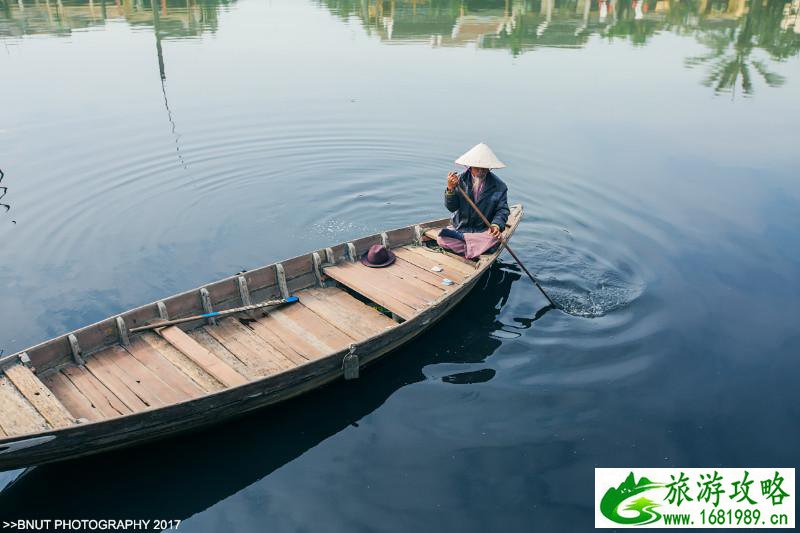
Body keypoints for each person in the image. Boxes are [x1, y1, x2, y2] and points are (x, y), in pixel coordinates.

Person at [437, 142, 510, 259]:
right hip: (461, 227)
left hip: (483, 231)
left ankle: (468, 243)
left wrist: (496, 225)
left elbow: (502, 210)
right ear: (470, 167)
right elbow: (452, 208)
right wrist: (450, 189)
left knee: (492, 238)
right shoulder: (459, 181)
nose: (481, 171)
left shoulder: (499, 186)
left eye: (484, 168)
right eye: (477, 168)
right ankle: (472, 246)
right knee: (441, 239)